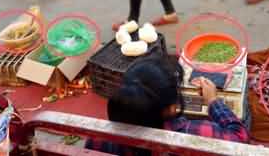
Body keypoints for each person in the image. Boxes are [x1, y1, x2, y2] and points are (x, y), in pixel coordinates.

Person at [85, 56, 249, 155]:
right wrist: (213, 101)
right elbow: (239, 139)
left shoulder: (97, 138)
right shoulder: (189, 134)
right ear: (171, 108)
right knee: (244, 117)